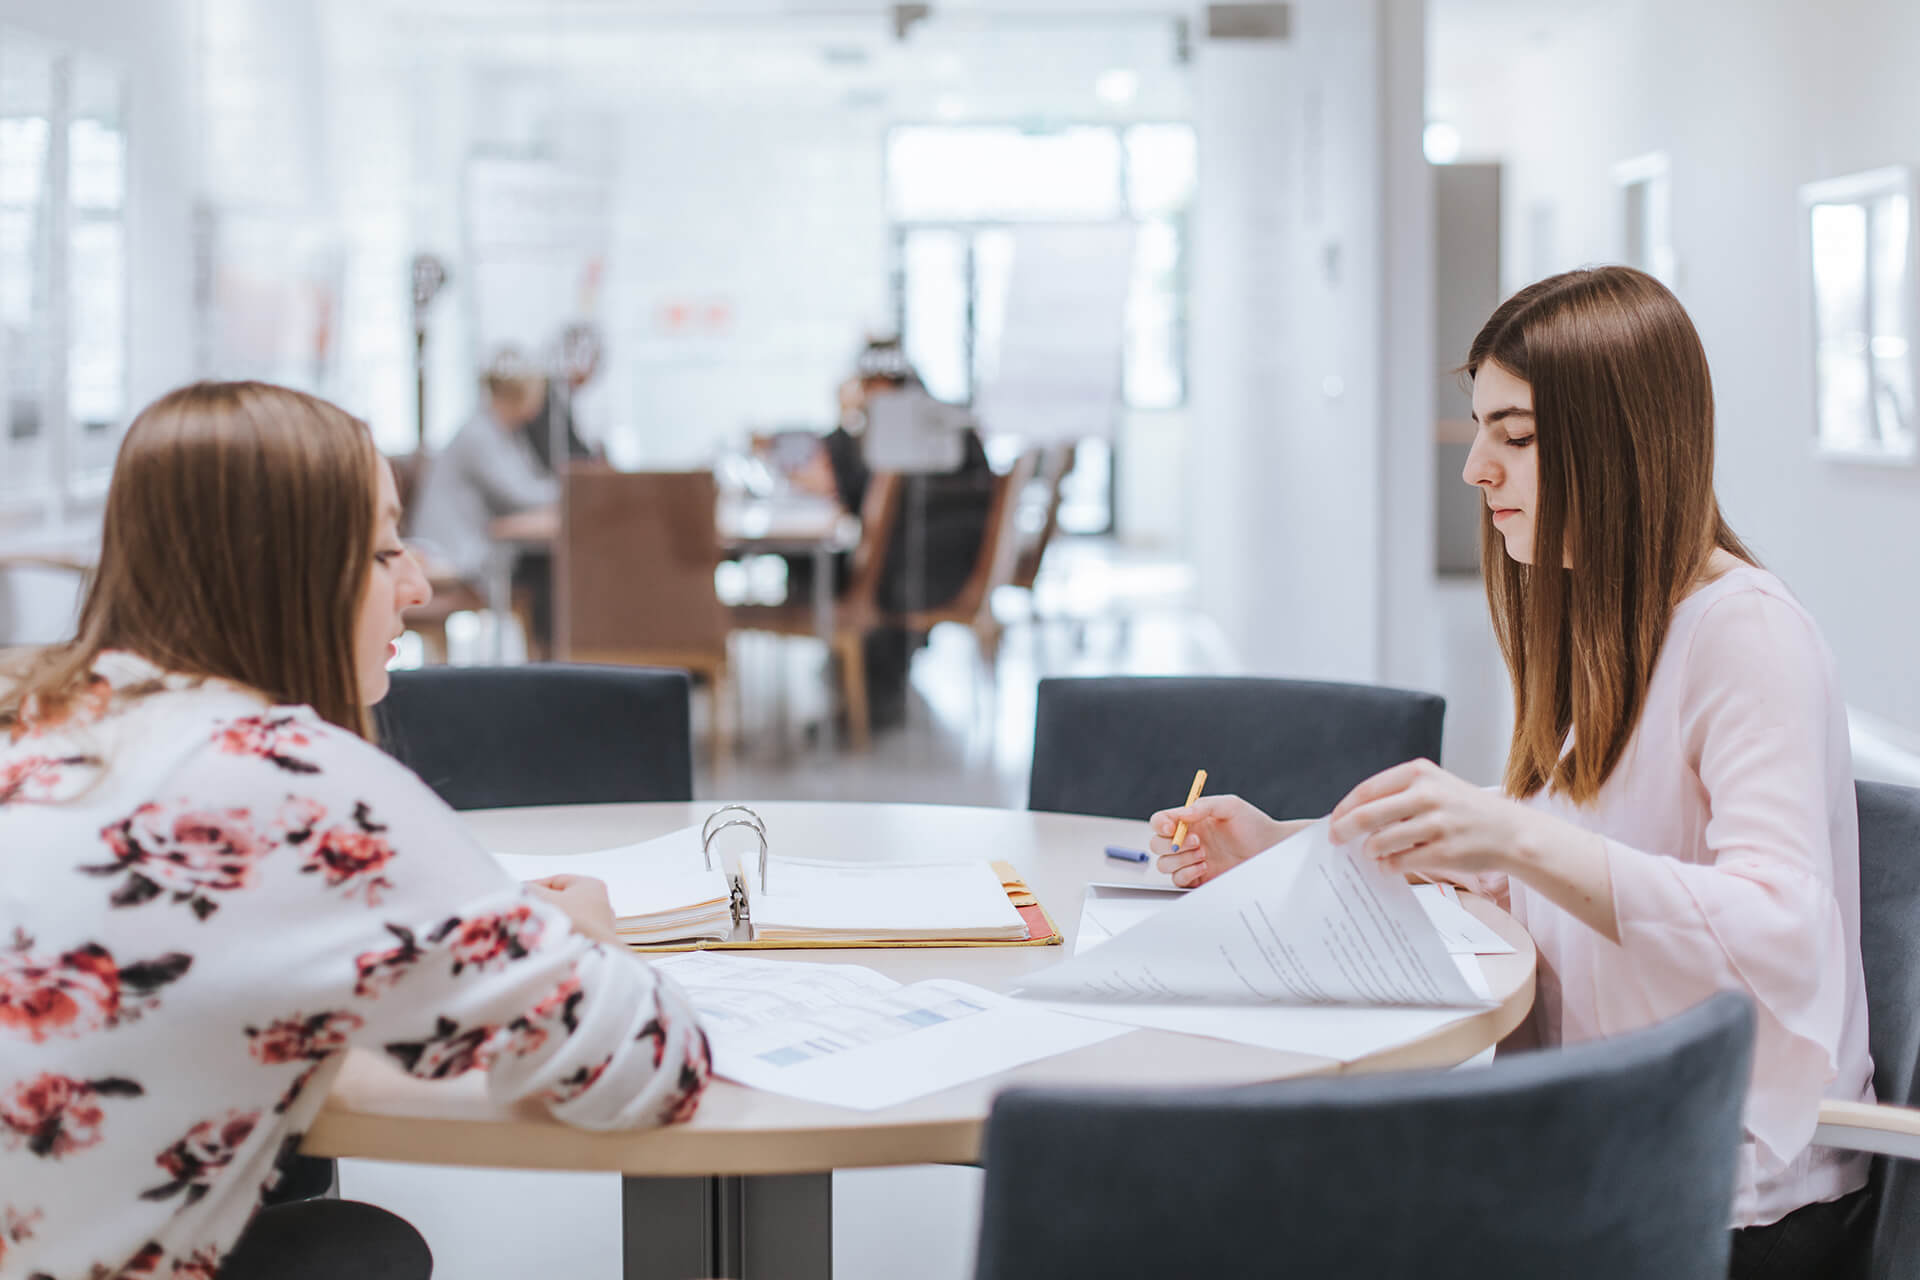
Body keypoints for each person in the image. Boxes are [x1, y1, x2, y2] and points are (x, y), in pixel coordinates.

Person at [1150, 267, 1873, 1277]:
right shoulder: (1613, 615)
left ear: (1622, 440)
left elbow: (1782, 929)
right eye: (1482, 429)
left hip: (1722, 1199)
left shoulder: (1746, 635)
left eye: (1517, 436)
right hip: (1600, 1138)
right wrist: (1290, 847)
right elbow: (1551, 863)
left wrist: (1519, 834)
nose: (1476, 468)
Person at [0, 382, 709, 1279]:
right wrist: (586, 939)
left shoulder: (32, 717)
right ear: (282, 573)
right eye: (382, 550)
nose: (415, 583)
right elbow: (655, 1068)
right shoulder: (294, 786)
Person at [785, 338, 995, 726]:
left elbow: (851, 492)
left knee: (812, 564)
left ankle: (859, 675)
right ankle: (853, 668)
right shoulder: (941, 421)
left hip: (916, 570)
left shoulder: (896, 430)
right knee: (820, 561)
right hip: (952, 558)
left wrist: (848, 415)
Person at [409, 351, 559, 655]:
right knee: (542, 574)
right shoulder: (479, 434)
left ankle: (547, 657)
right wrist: (572, 490)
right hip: (453, 549)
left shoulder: (504, 433)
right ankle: (546, 657)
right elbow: (520, 492)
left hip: (480, 540)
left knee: (545, 570)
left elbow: (528, 486)